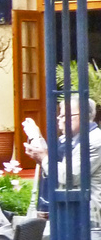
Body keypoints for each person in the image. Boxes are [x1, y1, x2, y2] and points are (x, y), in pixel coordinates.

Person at [25, 94, 101, 224]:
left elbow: (70, 176)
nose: (61, 120)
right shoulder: (66, 140)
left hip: (87, 214)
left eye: (66, 116)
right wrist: (39, 151)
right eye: (60, 116)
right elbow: (55, 165)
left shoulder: (94, 140)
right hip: (68, 210)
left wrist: (43, 158)